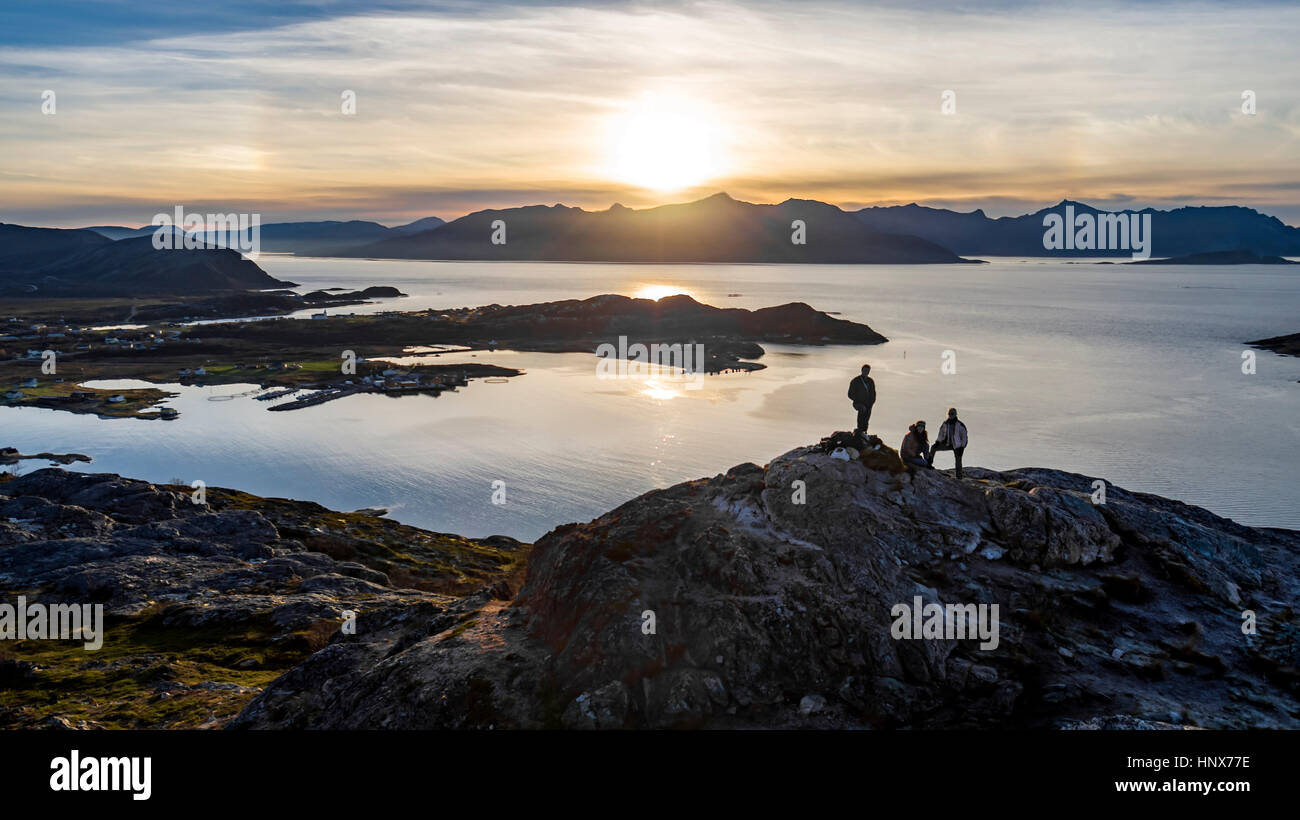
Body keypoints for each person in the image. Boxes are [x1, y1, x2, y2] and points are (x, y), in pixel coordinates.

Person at [928, 407, 969, 479]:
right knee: (933, 448)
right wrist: (937, 441)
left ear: (956, 414)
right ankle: (929, 464)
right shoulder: (945, 424)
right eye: (949, 414)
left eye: (952, 414)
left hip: (957, 446)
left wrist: (962, 447)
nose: (950, 415)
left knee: (958, 461)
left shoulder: (960, 425)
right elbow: (941, 433)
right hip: (947, 444)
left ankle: (959, 478)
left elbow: (964, 437)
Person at [847, 364, 876, 436]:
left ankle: (864, 431)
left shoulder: (870, 381)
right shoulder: (856, 381)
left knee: (867, 415)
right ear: (862, 370)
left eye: (867, 371)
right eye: (865, 370)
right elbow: (850, 394)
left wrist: (871, 403)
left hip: (868, 403)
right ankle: (859, 429)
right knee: (862, 410)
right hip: (858, 403)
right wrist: (858, 400)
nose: (866, 372)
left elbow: (873, 394)